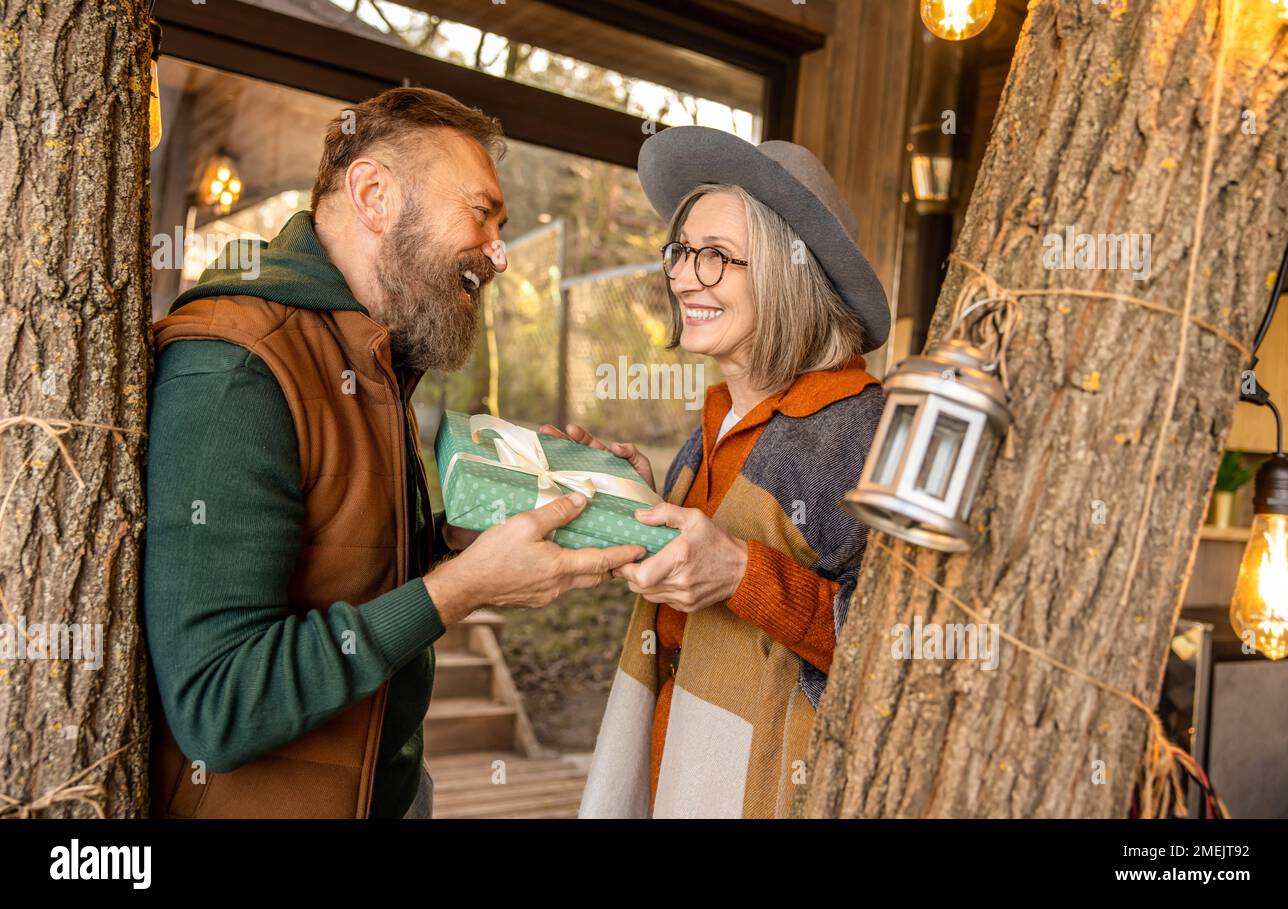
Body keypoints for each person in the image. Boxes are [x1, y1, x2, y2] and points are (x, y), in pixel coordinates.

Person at [143, 87, 645, 819]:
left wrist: (460, 541)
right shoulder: (235, 371)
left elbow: (347, 570)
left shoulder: (371, 355)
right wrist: (461, 589)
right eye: (482, 213)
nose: (500, 254)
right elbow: (217, 704)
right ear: (374, 193)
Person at [566, 126, 890, 818]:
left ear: (788, 270)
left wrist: (745, 575)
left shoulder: (860, 427)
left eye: (715, 256)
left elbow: (893, 651)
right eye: (682, 251)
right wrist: (637, 500)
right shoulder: (718, 416)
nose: (683, 276)